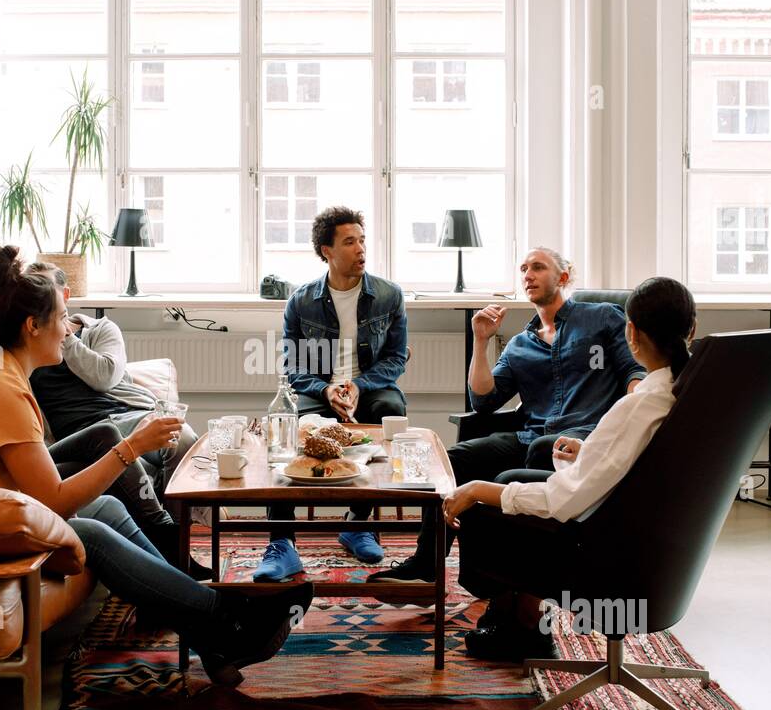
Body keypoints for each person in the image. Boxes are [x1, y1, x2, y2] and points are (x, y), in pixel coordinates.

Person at [0, 246, 313, 686]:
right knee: (87, 529)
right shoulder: (0, 388)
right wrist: (131, 448)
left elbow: (37, 484)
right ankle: (225, 620)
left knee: (106, 505)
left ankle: (213, 634)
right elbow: (53, 500)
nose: (68, 329)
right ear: (33, 326)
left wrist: (120, 444)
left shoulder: (4, 373)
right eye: (63, 318)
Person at [443, 276, 698, 661]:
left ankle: (517, 621)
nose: (529, 274)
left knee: (493, 499)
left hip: (608, 556)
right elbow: (628, 458)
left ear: (631, 332)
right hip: (651, 542)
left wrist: (476, 490)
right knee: (512, 478)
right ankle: (523, 622)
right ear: (691, 329)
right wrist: (589, 449)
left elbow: (562, 501)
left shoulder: (638, 405)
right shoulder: (685, 390)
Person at [367, 248, 646, 584]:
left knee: (543, 447)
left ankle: (511, 584)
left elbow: (635, 371)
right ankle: (427, 564)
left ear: (564, 276)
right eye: (524, 269)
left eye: (539, 268)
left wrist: (630, 423)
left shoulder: (602, 318)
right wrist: (481, 342)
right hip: (529, 438)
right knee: (450, 460)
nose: (528, 275)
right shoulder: (519, 344)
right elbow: (484, 400)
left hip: (582, 438)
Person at [256, 205, 409, 581]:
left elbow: (396, 357)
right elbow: (292, 366)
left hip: (371, 386)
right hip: (318, 389)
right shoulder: (301, 301)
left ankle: (357, 524)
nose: (361, 250)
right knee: (288, 422)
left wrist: (357, 385)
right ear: (327, 250)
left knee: (390, 407)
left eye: (362, 240)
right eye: (349, 242)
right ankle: (282, 543)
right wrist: (327, 391)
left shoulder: (389, 296)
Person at [25, 262, 206, 577]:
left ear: (64, 295)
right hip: (80, 436)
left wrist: (66, 336)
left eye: (47, 296)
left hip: (128, 414)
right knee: (109, 435)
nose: (39, 305)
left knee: (182, 439)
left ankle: (179, 541)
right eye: (32, 298)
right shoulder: (26, 345)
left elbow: (105, 377)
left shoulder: (100, 329)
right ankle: (168, 544)